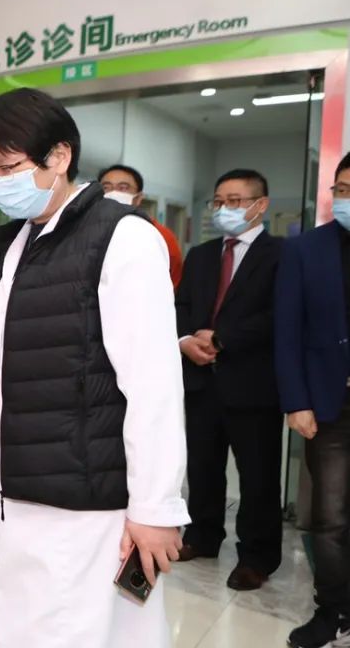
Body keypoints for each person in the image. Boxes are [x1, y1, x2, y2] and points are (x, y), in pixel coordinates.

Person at [0, 88, 188, 647]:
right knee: (9, 622)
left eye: (8, 168)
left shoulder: (122, 238)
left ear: (60, 156)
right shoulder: (12, 242)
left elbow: (154, 386)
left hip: (78, 498)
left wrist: (155, 508)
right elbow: (0, 346)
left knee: (74, 629)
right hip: (8, 482)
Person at [175, 169, 282, 591]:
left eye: (235, 201)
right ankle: (202, 535)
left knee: (257, 475)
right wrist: (185, 340)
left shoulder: (281, 255)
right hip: (201, 380)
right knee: (202, 467)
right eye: (219, 202)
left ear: (261, 205)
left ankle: (257, 556)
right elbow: (180, 307)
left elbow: (279, 315)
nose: (224, 209)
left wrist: (223, 338)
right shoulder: (201, 255)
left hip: (253, 383)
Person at [276, 151, 350, 648]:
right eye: (342, 189)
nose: (346, 198)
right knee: (329, 519)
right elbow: (288, 333)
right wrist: (296, 401)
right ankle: (332, 611)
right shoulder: (305, 250)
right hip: (330, 405)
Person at [99, 164, 184, 288]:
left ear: (138, 198)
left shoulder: (160, 235)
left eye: (123, 188)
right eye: (106, 187)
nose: (113, 193)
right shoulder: (88, 230)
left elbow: (174, 280)